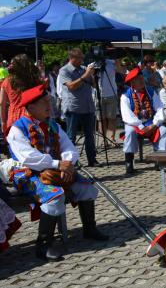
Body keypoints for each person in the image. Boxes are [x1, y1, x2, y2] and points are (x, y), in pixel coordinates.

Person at [7, 84, 108, 261]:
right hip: (27, 173)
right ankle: (43, 245)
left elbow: (69, 146)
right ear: (30, 107)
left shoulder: (53, 125)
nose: (49, 105)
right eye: (44, 102)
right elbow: (28, 158)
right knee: (54, 196)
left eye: (49, 100)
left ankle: (89, 230)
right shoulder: (17, 129)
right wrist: (57, 164)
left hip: (57, 168)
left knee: (86, 187)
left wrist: (68, 164)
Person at [120, 66, 166, 174]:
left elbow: (159, 108)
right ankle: (129, 160)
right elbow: (127, 116)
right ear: (132, 82)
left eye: (142, 78)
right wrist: (141, 126)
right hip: (134, 123)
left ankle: (161, 159)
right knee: (130, 131)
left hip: (151, 122)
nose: (142, 81)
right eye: (138, 79)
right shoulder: (125, 96)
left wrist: (155, 124)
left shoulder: (150, 91)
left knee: (163, 130)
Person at [58, 48, 98, 167]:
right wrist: (86, 75)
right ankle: (72, 162)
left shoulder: (84, 69)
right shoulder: (64, 70)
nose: (82, 60)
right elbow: (71, 86)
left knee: (90, 135)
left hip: (87, 107)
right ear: (73, 58)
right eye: (80, 58)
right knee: (71, 136)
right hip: (73, 107)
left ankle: (92, 159)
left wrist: (93, 75)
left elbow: (93, 85)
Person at [1, 54, 43, 136]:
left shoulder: (7, 81)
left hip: (13, 117)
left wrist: (3, 122)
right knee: (35, 144)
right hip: (31, 116)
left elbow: (2, 103)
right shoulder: (34, 80)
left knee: (15, 145)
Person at [97, 58, 119, 143]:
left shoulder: (112, 62)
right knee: (101, 119)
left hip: (111, 94)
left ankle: (111, 139)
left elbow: (122, 71)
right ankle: (103, 140)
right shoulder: (94, 63)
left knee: (112, 118)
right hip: (98, 95)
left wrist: (118, 62)